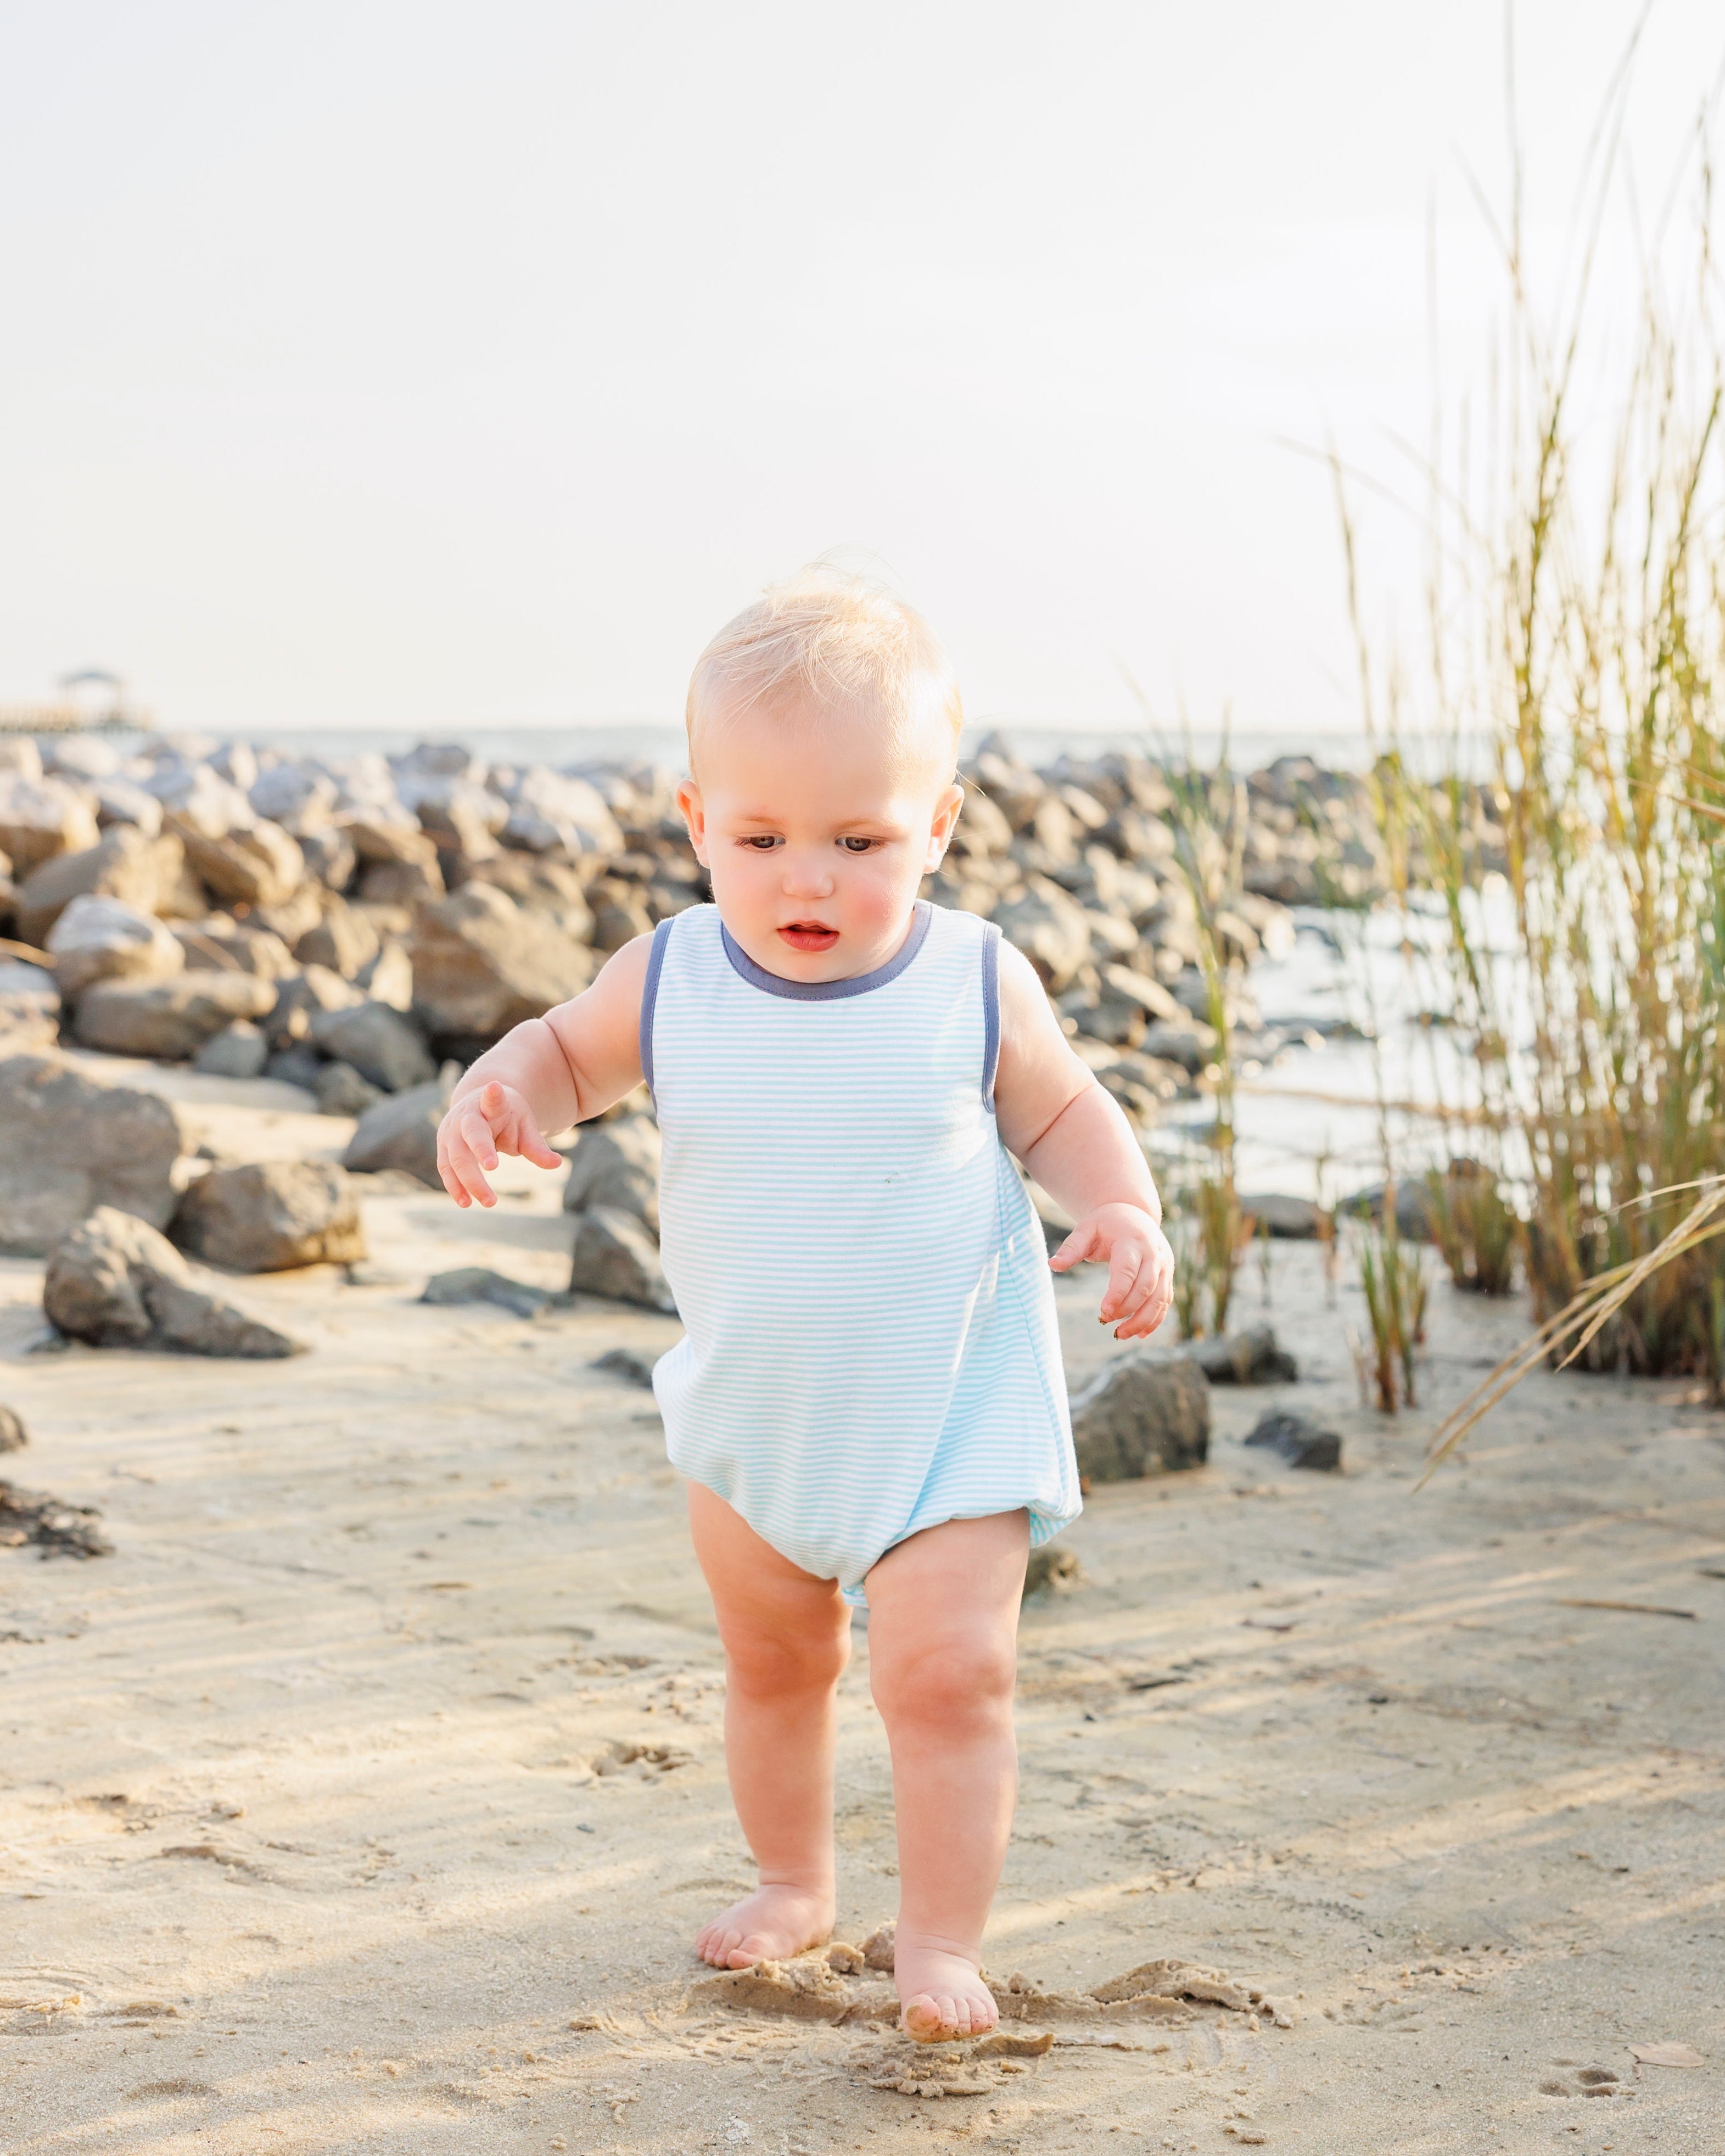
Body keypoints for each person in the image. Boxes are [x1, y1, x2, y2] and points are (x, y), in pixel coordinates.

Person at [435, 570, 1174, 2042]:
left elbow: (1064, 1111)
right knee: (777, 1669)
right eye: (762, 839)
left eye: (860, 840)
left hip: (945, 1419)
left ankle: (939, 1943)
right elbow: (566, 1056)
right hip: (760, 1420)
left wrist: (1123, 1206)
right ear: (698, 822)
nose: (808, 880)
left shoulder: (972, 978)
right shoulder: (673, 975)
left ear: (938, 826)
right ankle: (793, 1880)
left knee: (952, 1677)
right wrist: (503, 1093)